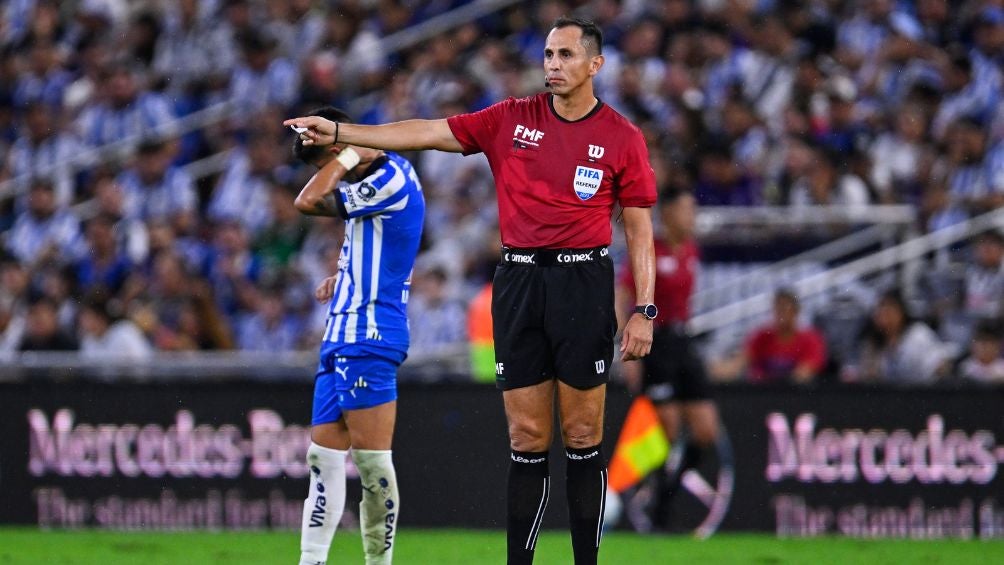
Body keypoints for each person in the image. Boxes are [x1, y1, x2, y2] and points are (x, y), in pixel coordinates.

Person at [286, 16, 657, 565]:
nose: (552, 64)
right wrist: (343, 133)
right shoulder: (512, 118)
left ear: (595, 65)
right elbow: (428, 131)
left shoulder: (622, 137)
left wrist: (645, 308)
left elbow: (641, 229)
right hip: (518, 281)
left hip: (583, 281)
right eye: (548, 54)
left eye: (565, 55)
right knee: (527, 436)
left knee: (582, 434)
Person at [290, 106, 425, 565]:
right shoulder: (369, 186)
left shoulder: (391, 176)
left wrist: (346, 157)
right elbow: (373, 247)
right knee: (321, 460)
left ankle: (378, 563)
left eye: (325, 161)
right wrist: (341, 277)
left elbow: (307, 203)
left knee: (371, 464)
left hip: (369, 336)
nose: (331, 174)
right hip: (339, 333)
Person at [615, 187, 722, 531]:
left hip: (682, 340)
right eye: (687, 210)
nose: (692, 217)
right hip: (655, 342)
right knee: (669, 428)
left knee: (705, 429)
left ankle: (669, 489)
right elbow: (623, 294)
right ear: (669, 215)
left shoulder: (691, 250)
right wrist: (627, 345)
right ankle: (657, 504)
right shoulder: (650, 250)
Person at [712, 289, 828, 385]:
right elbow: (738, 363)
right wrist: (720, 370)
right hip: (761, 395)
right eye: (777, 309)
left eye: (784, 309)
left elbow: (804, 373)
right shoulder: (762, 336)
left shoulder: (811, 339)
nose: (780, 314)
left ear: (796, 312)